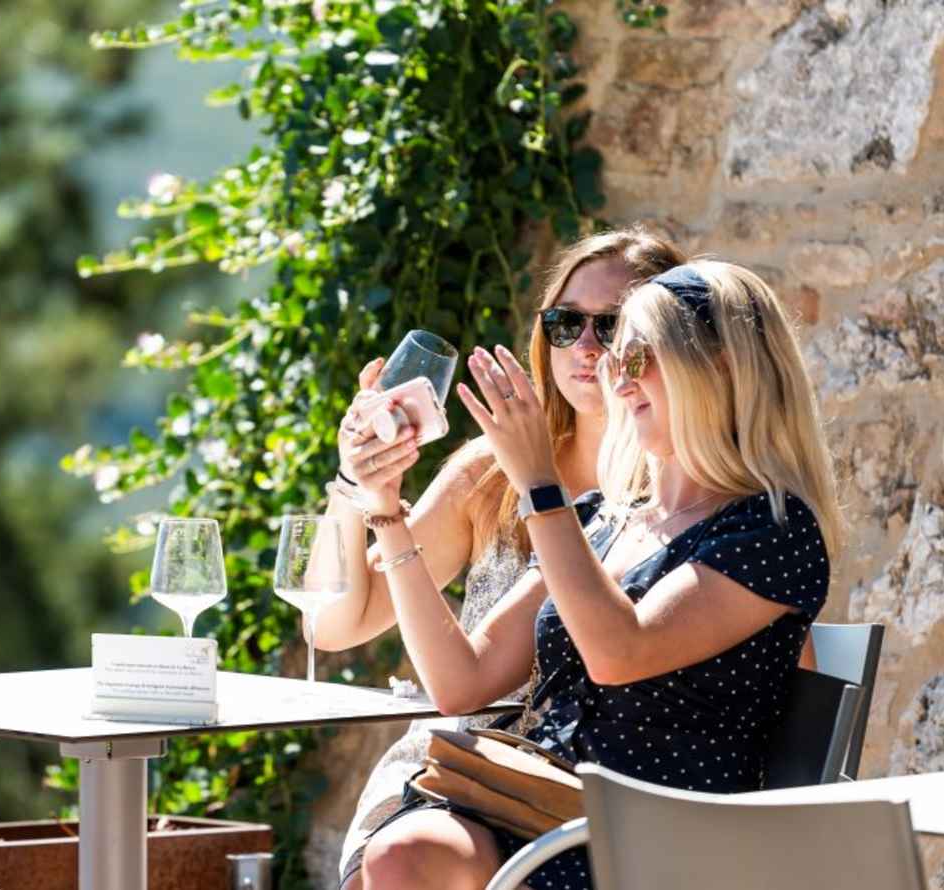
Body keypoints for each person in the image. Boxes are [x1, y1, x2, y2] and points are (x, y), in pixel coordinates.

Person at [351, 259, 845, 890]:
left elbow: (620, 651)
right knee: (401, 853)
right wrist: (387, 508)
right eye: (617, 360)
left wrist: (537, 483)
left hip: (660, 839)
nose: (617, 377)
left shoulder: (770, 530)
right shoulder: (604, 522)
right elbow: (459, 680)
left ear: (720, 367)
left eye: (638, 358)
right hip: (543, 808)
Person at [316, 229, 687, 887]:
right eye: (567, 323)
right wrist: (355, 486)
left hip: (579, 779)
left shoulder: (676, 498)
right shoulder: (491, 474)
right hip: (464, 766)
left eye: (613, 325)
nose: (587, 347)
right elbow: (334, 624)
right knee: (403, 854)